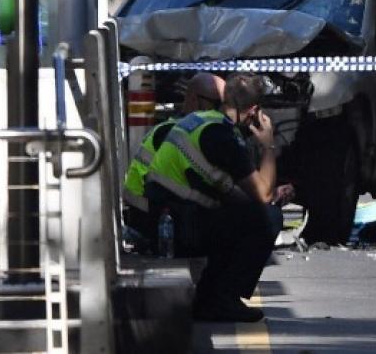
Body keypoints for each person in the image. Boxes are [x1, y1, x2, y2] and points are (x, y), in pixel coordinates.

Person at [144, 73, 293, 323]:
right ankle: (222, 299)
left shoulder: (203, 123)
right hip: (175, 227)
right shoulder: (223, 136)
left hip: (165, 219)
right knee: (268, 218)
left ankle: (210, 297)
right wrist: (268, 145)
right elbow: (263, 195)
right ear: (254, 111)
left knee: (247, 215)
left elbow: (228, 192)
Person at [122, 72, 226, 246]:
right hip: (153, 220)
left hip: (155, 213)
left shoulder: (182, 129)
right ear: (194, 100)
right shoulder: (175, 133)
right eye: (216, 104)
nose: (222, 111)